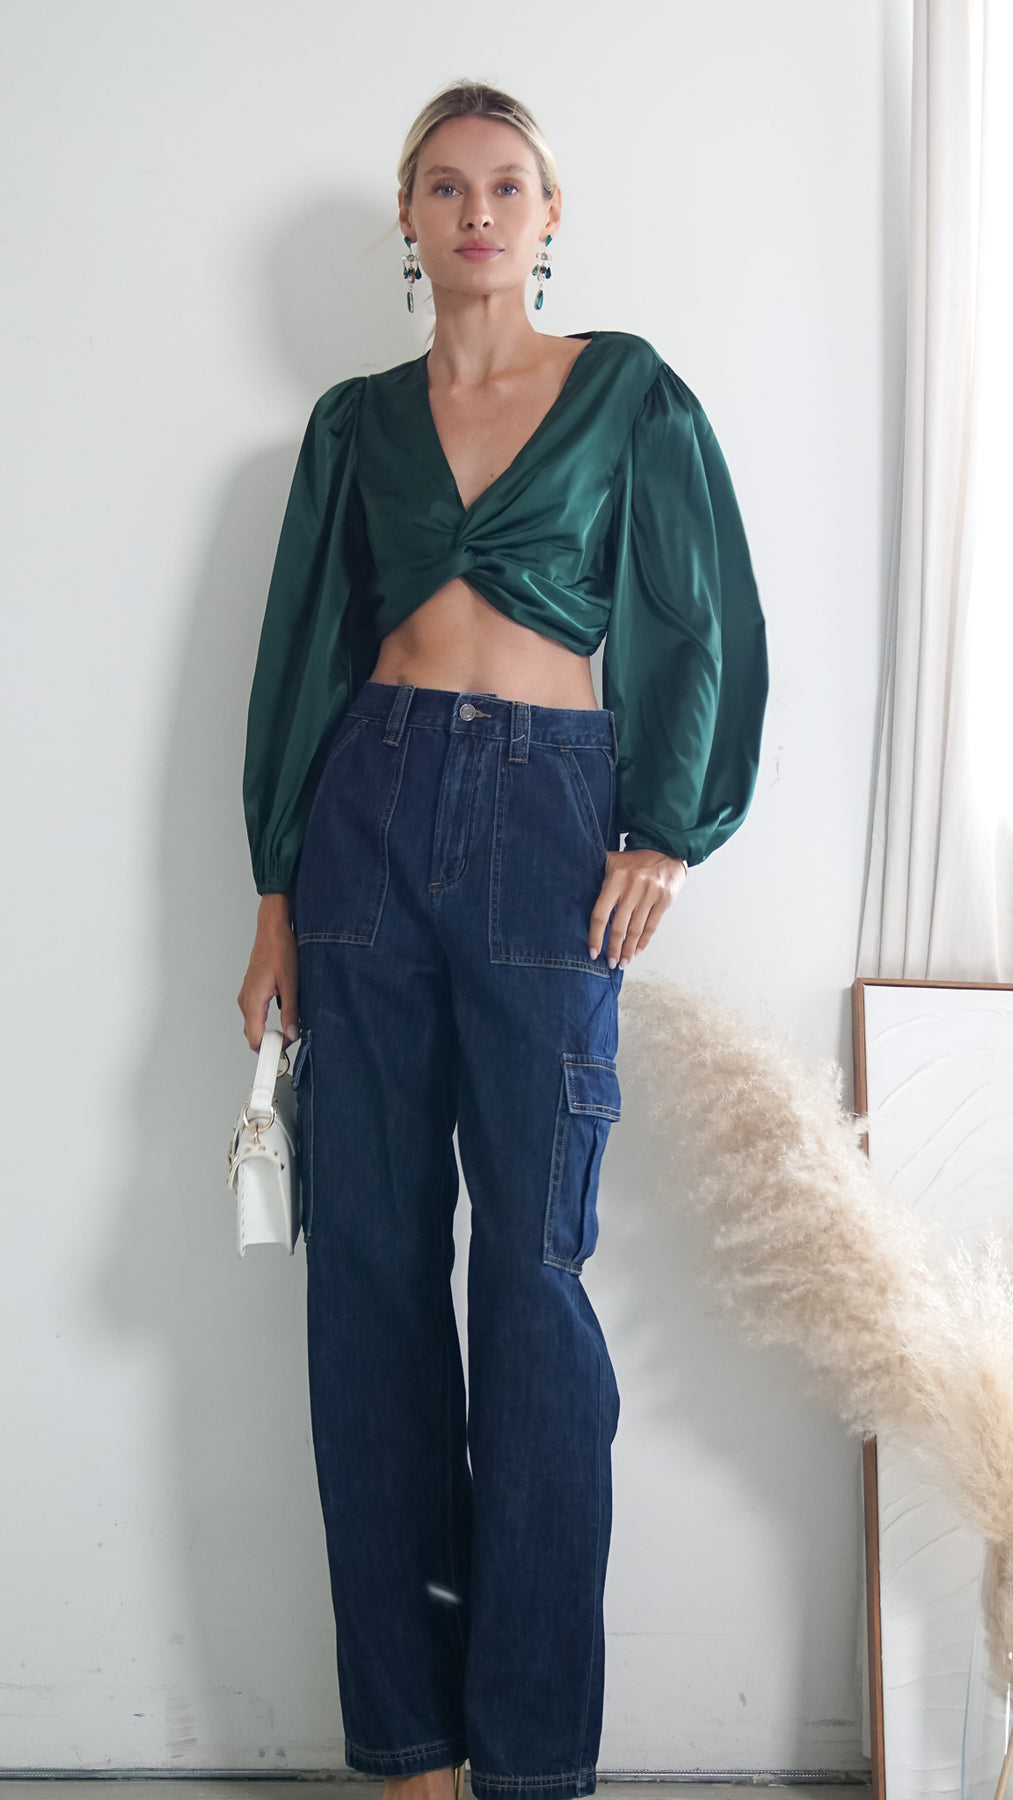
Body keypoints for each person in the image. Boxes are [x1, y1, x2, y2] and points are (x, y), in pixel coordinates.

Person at [237, 79, 767, 1800]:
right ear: (408, 220)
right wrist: (272, 893)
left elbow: (699, 614)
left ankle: (530, 1760)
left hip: (551, 827)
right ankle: (409, 1749)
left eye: (508, 185)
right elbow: (304, 652)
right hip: (366, 824)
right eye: (447, 187)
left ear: (550, 217)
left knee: (532, 1280)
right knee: (367, 1272)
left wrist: (666, 830)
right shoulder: (352, 424)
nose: (479, 212)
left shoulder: (625, 390)